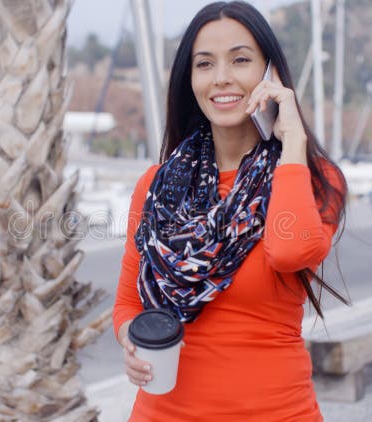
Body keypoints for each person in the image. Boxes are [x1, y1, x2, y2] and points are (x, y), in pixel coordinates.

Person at [112, 2, 349, 420]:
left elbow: (291, 251)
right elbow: (129, 304)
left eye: (240, 60)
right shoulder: (156, 186)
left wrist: (291, 140)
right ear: (191, 80)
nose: (221, 77)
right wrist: (133, 341)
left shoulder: (313, 178)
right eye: (205, 64)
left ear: (270, 74)